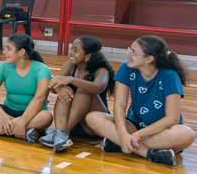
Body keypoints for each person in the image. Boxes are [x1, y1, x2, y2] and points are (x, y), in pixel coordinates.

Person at [86, 36, 194, 166]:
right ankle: (148, 153)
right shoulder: (126, 68)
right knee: (93, 118)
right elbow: (120, 105)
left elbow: (172, 118)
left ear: (149, 59)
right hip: (134, 124)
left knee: (187, 134)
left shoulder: (169, 76)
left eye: (133, 52)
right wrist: (122, 132)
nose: (128, 54)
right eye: (129, 50)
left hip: (161, 130)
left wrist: (136, 136)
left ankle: (119, 144)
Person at [0, 33, 54, 141]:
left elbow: (40, 99)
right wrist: (2, 115)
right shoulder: (3, 66)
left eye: (8, 48)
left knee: (46, 117)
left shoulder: (41, 69)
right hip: (8, 111)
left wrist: (22, 122)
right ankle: (25, 131)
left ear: (21, 52)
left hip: (33, 114)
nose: (4, 52)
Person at [40, 36, 114, 152]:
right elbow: (53, 87)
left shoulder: (101, 70)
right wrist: (59, 87)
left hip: (91, 125)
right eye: (71, 49)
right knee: (65, 91)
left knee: (83, 90)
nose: (71, 53)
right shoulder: (69, 66)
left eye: (75, 50)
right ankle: (60, 133)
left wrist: (71, 80)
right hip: (71, 123)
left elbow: (98, 87)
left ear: (88, 56)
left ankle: (63, 134)